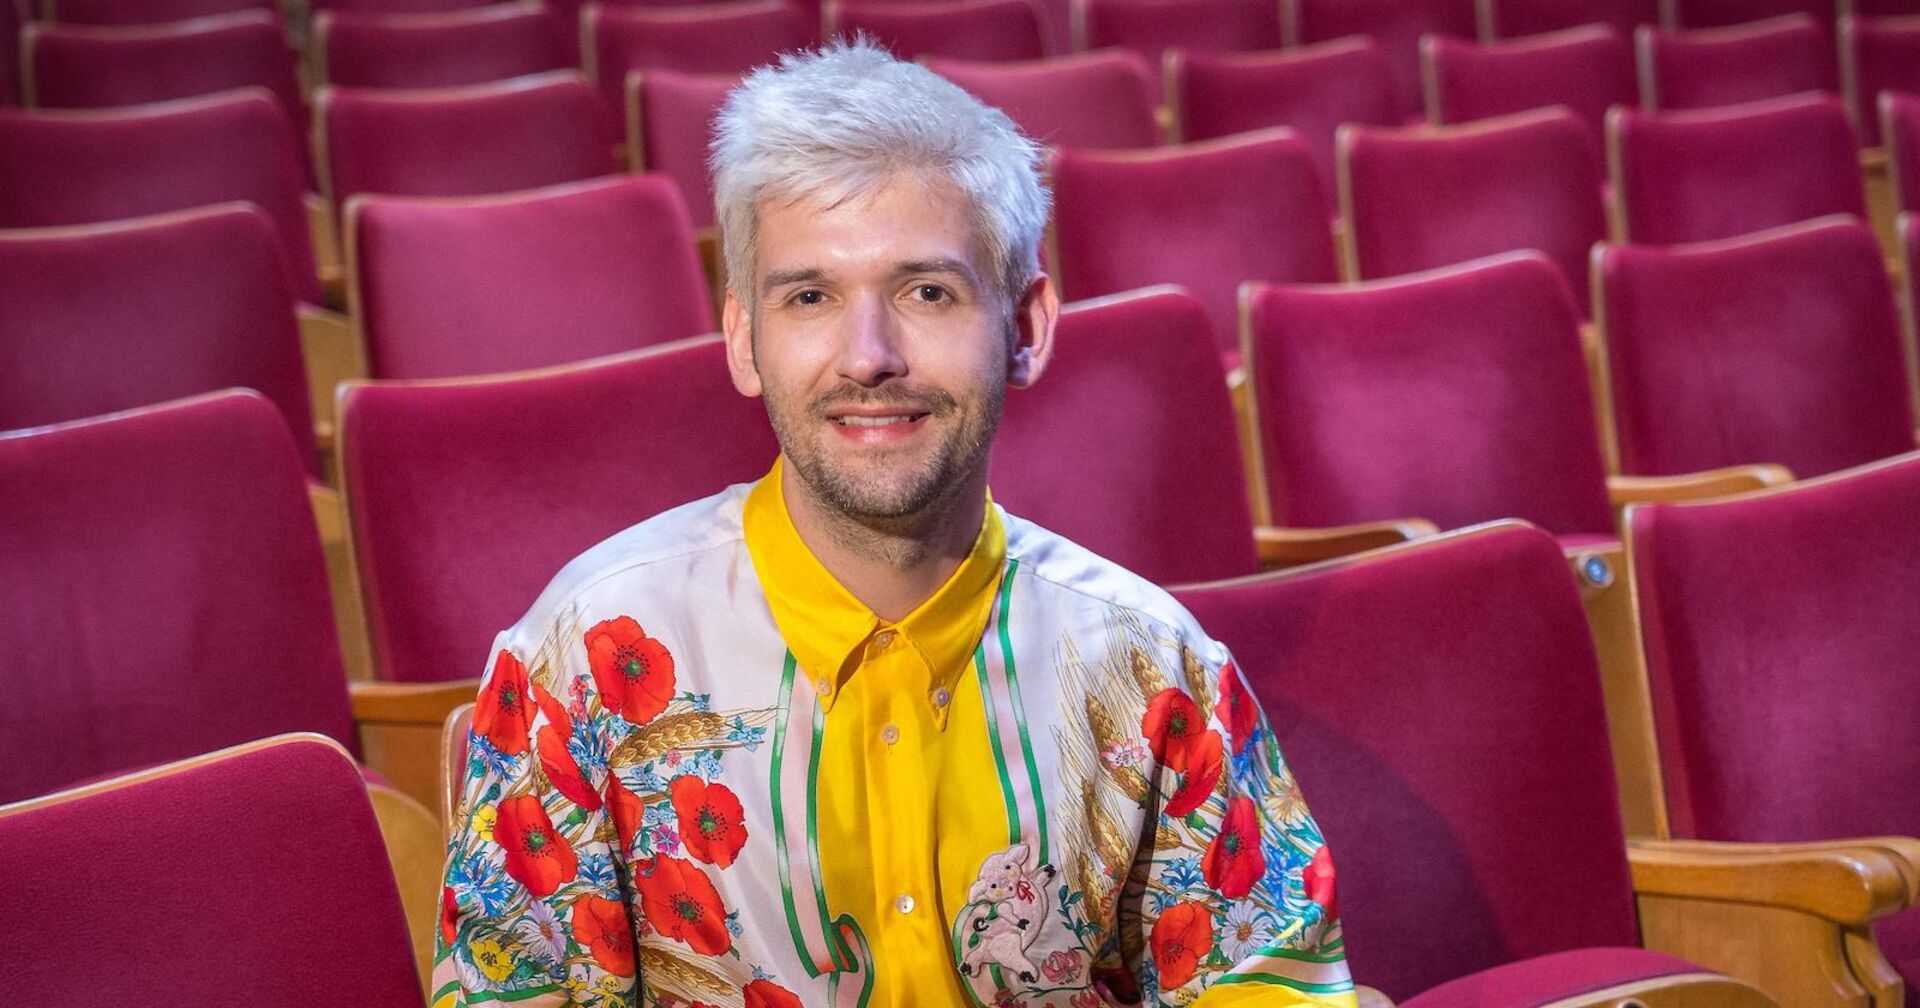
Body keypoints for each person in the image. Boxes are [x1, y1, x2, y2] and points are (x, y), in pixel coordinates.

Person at [433, 39, 1352, 1008]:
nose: (867, 355)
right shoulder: (575, 661)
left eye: (927, 292)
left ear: (1026, 328)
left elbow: (1264, 985)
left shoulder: (1156, 666)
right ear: (745, 339)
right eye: (812, 297)